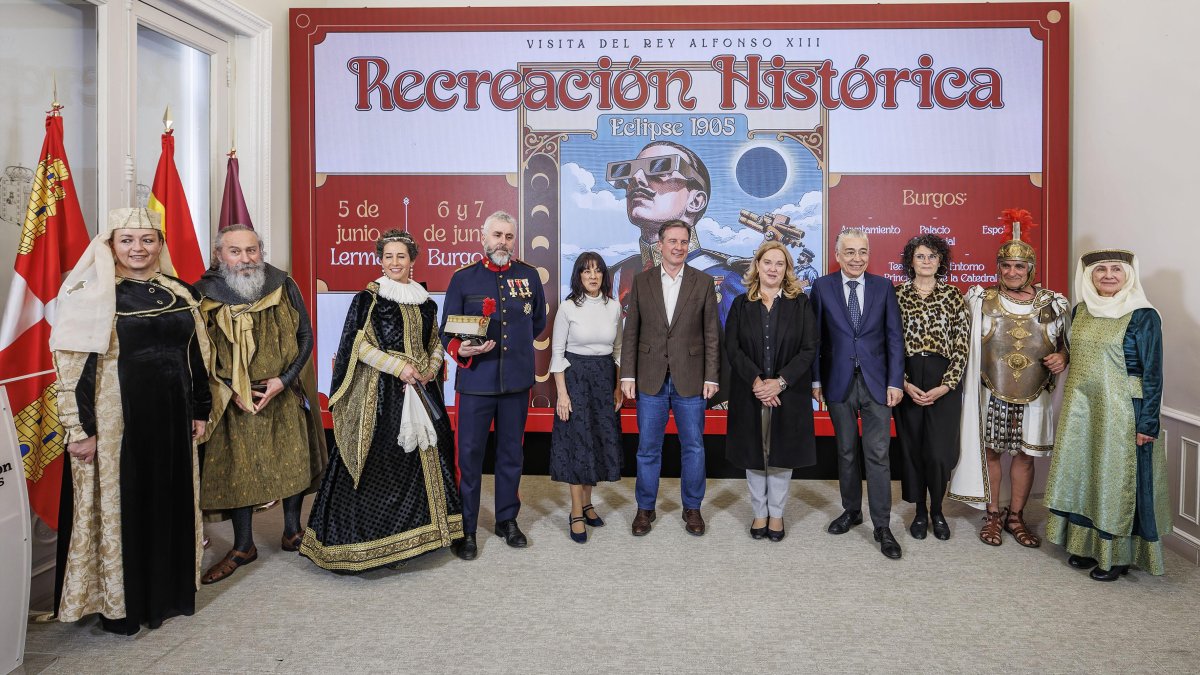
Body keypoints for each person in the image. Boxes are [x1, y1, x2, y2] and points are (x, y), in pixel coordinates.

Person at [48, 207, 211, 634]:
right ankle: (126, 606)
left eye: (147, 240)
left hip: (173, 421)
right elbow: (73, 367)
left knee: (169, 499)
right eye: (127, 240)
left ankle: (169, 594)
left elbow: (197, 356)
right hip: (117, 421)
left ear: (160, 244)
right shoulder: (91, 293)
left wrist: (199, 409)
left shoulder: (180, 291)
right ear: (110, 244)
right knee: (129, 505)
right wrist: (80, 431)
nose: (138, 249)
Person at [301, 230, 463, 571]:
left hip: (422, 387)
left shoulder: (426, 302)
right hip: (383, 394)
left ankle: (426, 534)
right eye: (388, 257)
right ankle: (380, 543)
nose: (394, 263)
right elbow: (356, 346)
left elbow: (435, 342)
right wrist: (398, 367)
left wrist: (430, 368)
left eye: (401, 257)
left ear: (412, 260)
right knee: (386, 461)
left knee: (430, 455)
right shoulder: (368, 300)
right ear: (380, 260)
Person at [194, 225, 327, 583]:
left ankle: (292, 532)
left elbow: (305, 336)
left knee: (294, 463)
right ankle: (242, 546)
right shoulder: (204, 293)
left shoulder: (284, 285)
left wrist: (284, 380)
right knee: (239, 473)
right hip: (235, 397)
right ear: (220, 255)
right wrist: (230, 389)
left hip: (282, 389)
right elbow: (199, 354)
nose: (245, 259)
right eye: (235, 251)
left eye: (252, 250)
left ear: (261, 251)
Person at [1045, 250, 1169, 581]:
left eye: (1117, 269)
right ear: (1089, 276)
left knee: (1116, 481)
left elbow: (1153, 374)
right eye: (1101, 270)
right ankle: (1086, 547)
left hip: (1124, 411)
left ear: (1129, 274)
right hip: (1084, 410)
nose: (1109, 275)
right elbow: (1077, 352)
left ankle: (1116, 557)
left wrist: (1148, 423)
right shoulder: (1081, 310)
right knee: (1086, 476)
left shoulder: (1143, 315)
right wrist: (1061, 355)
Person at [947, 220, 1069, 548]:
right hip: (991, 390)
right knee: (990, 452)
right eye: (1006, 266)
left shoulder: (1053, 305)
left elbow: (1067, 347)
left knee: (1025, 455)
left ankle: (1016, 516)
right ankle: (993, 515)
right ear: (998, 268)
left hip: (1034, 394)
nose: (1012, 271)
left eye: (1019, 266)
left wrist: (1063, 358)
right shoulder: (980, 301)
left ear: (1030, 269)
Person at [440, 211, 548, 560]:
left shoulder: (529, 276)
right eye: (497, 235)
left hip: (515, 381)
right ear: (482, 237)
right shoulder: (463, 279)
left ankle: (506, 520)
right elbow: (447, 333)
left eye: (509, 236)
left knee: (511, 455)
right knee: (469, 458)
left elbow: (537, 324)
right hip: (475, 382)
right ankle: (466, 528)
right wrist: (463, 349)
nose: (503, 242)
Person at [620, 219, 721, 536]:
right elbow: (632, 331)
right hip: (650, 378)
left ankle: (692, 509)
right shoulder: (642, 281)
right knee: (648, 448)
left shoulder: (703, 282)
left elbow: (711, 336)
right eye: (672, 241)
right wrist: (627, 375)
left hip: (691, 379)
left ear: (688, 244)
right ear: (660, 244)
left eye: (683, 241)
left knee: (693, 447)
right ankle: (644, 509)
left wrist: (712, 377)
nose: (678, 246)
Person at [810, 228, 905, 559]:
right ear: (837, 255)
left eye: (862, 251)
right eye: (849, 252)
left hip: (877, 383)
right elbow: (816, 339)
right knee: (846, 451)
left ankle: (882, 525)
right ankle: (851, 511)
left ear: (869, 253)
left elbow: (894, 337)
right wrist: (816, 382)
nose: (856, 258)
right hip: (837, 383)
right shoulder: (822, 287)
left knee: (877, 455)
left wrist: (895, 381)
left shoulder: (883, 287)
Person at [723, 241, 818, 542]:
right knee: (755, 454)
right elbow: (732, 348)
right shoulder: (741, 304)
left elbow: (808, 348)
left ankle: (776, 514)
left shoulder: (800, 303)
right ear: (758, 266)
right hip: (749, 392)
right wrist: (756, 382)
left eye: (780, 263)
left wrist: (780, 382)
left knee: (780, 455)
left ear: (787, 269)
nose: (773, 269)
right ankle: (759, 513)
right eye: (768, 263)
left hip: (787, 393)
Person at [607, 140, 742, 321]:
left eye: (660, 169)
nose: (636, 179)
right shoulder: (615, 277)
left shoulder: (726, 279)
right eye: (630, 173)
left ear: (696, 202)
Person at [894, 235, 969, 541]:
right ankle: (920, 512)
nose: (926, 261)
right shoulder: (896, 295)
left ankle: (938, 509)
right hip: (907, 378)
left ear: (941, 261)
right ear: (910, 261)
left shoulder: (954, 296)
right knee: (913, 451)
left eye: (932, 256)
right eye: (920, 256)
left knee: (939, 453)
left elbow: (963, 346)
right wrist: (903, 383)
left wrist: (946, 385)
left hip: (943, 380)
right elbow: (888, 343)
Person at [549, 252, 624, 543]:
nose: (592, 276)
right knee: (577, 445)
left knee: (596, 443)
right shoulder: (567, 308)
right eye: (586, 271)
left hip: (604, 380)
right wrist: (562, 395)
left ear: (604, 276)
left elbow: (618, 351)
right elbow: (557, 354)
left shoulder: (615, 307)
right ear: (578, 276)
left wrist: (618, 387)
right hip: (575, 379)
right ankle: (576, 511)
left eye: (597, 271)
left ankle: (589, 503)